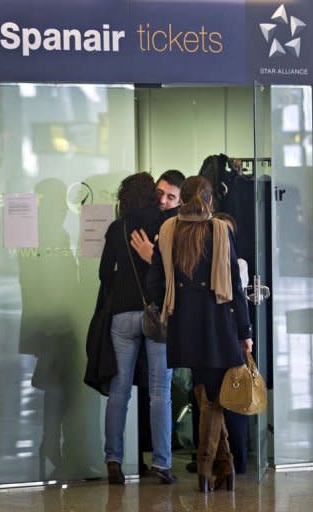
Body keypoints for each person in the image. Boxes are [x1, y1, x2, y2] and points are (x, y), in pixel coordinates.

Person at [147, 175, 253, 493]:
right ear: (208, 200)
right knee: (213, 396)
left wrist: (166, 302)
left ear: (184, 199)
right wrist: (244, 330)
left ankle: (224, 466)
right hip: (220, 323)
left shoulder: (168, 231)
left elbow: (155, 282)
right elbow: (235, 285)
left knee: (205, 391)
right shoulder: (219, 230)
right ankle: (208, 468)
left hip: (183, 324)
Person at [99, 172, 176, 485]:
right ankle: (162, 463)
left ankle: (113, 459)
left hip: (122, 316)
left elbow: (105, 273)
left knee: (119, 391)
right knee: (160, 392)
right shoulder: (164, 226)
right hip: (155, 314)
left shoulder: (117, 228)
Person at [130, 169, 185, 475]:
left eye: (170, 196)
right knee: (154, 388)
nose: (163, 201)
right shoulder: (155, 220)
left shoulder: (179, 227)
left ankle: (159, 460)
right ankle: (157, 459)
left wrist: (152, 256)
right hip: (152, 315)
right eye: (160, 194)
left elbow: (179, 275)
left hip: (164, 316)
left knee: (155, 388)